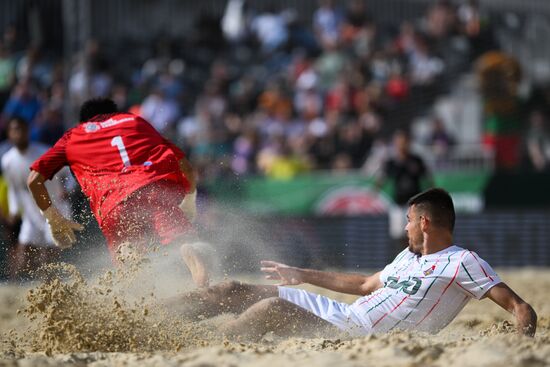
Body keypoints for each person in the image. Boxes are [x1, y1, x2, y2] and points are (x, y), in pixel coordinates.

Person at [166, 188, 537, 340]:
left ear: (424, 222)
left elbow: (521, 308)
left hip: (358, 334)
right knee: (234, 290)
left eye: (408, 219)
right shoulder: (410, 255)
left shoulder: (463, 262)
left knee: (271, 308)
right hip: (343, 314)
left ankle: (203, 346)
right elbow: (363, 285)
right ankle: (150, 319)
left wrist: (522, 344)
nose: (404, 226)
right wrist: (301, 275)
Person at [27, 98, 209, 286]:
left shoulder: (74, 135)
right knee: (183, 240)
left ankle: (132, 264)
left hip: (112, 203)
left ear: (85, 121)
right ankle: (187, 253)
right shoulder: (135, 121)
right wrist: (190, 197)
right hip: (151, 189)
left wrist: (53, 218)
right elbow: (185, 165)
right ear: (115, 113)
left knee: (127, 254)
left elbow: (33, 180)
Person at [1, 117, 71, 279]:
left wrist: (66, 189)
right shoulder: (7, 160)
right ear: (9, 134)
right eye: (14, 130)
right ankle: (13, 292)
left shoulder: (43, 153)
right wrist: (13, 209)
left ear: (27, 131)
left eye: (21, 129)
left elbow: (69, 174)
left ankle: (51, 289)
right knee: (23, 251)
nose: (18, 133)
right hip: (31, 213)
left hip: (54, 211)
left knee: (48, 254)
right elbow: (14, 188)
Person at [376, 130, 433, 258]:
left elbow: (427, 178)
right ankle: (405, 258)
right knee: (398, 234)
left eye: (404, 142)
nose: (401, 145)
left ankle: (419, 257)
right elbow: (382, 178)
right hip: (399, 204)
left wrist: (431, 195)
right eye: (399, 142)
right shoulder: (392, 162)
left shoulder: (416, 160)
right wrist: (376, 189)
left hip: (415, 205)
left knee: (418, 233)